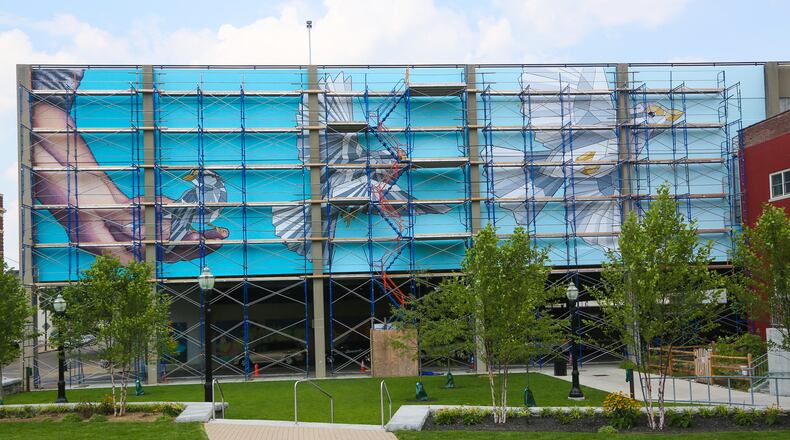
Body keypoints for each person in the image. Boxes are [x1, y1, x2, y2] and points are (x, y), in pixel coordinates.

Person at [30, 69, 229, 263]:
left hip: (47, 108)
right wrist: (115, 212)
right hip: (47, 107)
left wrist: (114, 212)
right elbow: (40, 114)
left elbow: (42, 112)